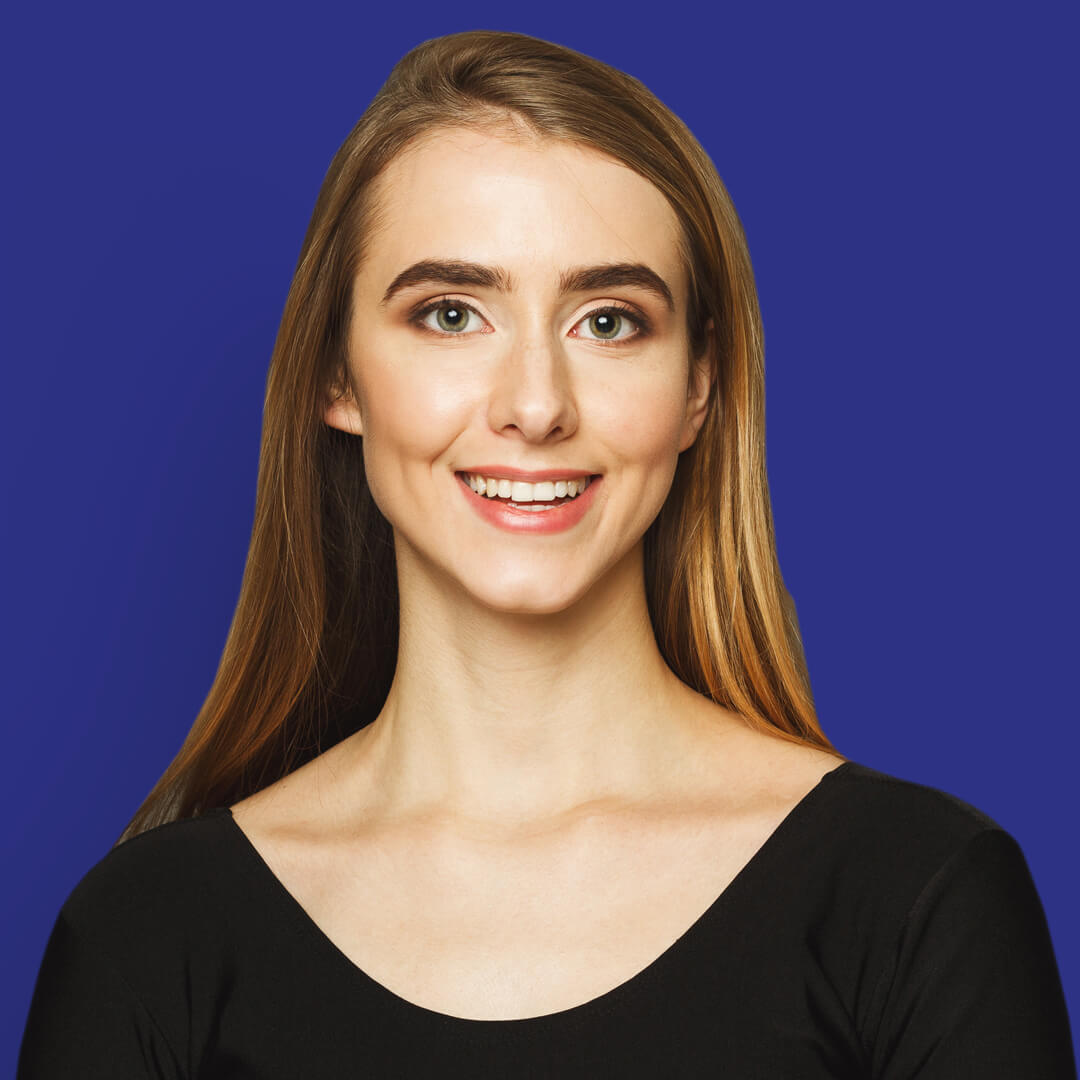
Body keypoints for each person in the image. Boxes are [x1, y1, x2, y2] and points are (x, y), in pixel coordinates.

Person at [17, 29, 1076, 1079]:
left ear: (699, 387)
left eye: (608, 322)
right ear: (336, 377)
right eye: (451, 314)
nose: (535, 406)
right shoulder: (145, 939)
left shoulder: (919, 895)